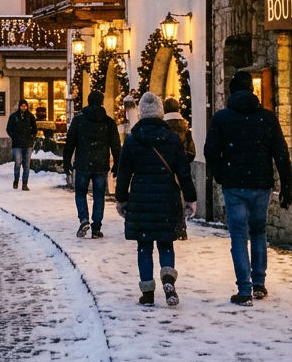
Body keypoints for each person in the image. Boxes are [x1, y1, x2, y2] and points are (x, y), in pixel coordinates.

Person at [205, 71, 292, 306]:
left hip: (234, 185)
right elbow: (281, 154)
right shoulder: (266, 118)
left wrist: (222, 174)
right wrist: (287, 185)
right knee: (258, 233)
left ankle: (244, 289)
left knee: (238, 237)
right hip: (260, 184)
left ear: (232, 91)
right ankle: (259, 284)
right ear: (252, 91)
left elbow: (210, 152)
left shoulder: (221, 118)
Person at [115, 92, 197, 307]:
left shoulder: (133, 139)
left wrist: (121, 199)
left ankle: (148, 292)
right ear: (160, 113)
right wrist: (190, 198)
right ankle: (168, 279)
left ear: (141, 112)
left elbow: (124, 174)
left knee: (144, 246)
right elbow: (183, 171)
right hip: (167, 196)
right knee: (166, 243)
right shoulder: (172, 139)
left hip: (141, 196)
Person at [65, 90, 121, 239]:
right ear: (101, 102)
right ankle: (96, 227)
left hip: (83, 162)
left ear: (88, 101)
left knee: (80, 193)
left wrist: (66, 161)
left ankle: (84, 219)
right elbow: (116, 145)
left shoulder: (78, 120)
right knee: (99, 196)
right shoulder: (108, 122)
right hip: (101, 164)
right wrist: (117, 163)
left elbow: (70, 142)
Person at [6, 99, 38, 191]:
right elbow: (9, 129)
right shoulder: (14, 116)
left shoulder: (30, 116)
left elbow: (35, 128)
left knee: (27, 165)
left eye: (25, 106)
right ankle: (16, 181)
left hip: (28, 143)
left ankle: (25, 183)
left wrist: (32, 136)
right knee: (18, 163)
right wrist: (14, 136)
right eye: (22, 106)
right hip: (17, 144)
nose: (23, 107)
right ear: (19, 106)